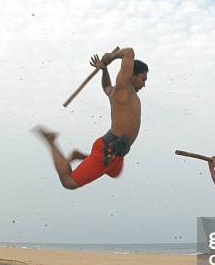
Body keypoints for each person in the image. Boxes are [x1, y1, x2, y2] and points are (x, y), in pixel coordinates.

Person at [35, 47, 148, 189]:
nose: (144, 84)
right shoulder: (123, 88)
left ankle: (82, 156)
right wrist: (111, 56)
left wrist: (104, 70)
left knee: (115, 172)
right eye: (143, 78)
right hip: (108, 149)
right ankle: (51, 140)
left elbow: (106, 86)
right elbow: (129, 52)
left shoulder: (120, 93)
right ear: (132, 74)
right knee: (69, 183)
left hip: (118, 152)